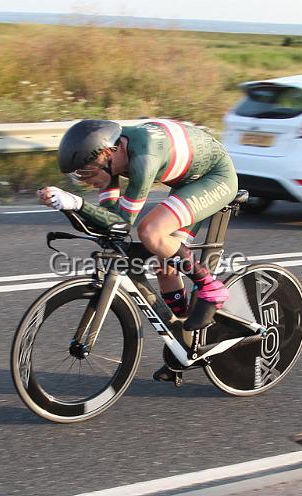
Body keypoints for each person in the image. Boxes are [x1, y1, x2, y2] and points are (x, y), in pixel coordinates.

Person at [37, 119, 238, 381]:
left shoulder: (143, 158)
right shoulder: (111, 160)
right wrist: (67, 205)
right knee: (163, 264)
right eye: (80, 175)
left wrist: (75, 202)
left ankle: (210, 286)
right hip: (188, 181)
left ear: (110, 153)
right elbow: (108, 220)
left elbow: (122, 222)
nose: (88, 180)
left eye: (89, 171)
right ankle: (185, 340)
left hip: (215, 177)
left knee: (150, 232)